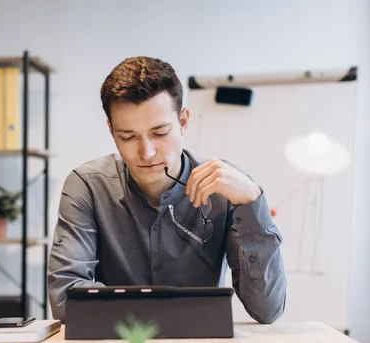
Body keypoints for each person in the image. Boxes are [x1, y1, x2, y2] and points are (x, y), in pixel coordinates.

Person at [47, 56, 286, 323]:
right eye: (127, 137)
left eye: (159, 133)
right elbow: (66, 299)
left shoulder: (225, 188)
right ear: (111, 130)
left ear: (183, 121)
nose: (146, 152)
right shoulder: (87, 185)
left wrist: (253, 204)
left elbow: (268, 310)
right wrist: (170, 315)